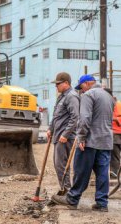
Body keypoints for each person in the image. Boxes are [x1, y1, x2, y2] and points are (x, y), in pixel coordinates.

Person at [52, 75, 115, 212]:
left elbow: (85, 118)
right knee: (102, 173)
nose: (81, 91)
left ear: (87, 84)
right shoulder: (108, 96)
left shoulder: (89, 95)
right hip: (106, 140)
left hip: (90, 141)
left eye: (81, 87)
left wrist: (81, 137)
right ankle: (102, 203)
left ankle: (72, 199)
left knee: (81, 170)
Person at [47, 72, 80, 191]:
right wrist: (50, 129)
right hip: (58, 135)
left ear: (66, 83)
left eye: (58, 84)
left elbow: (75, 117)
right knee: (58, 165)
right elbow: (56, 115)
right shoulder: (62, 96)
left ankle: (66, 190)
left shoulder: (71, 96)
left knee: (61, 165)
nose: (56, 86)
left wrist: (65, 134)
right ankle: (65, 190)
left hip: (65, 137)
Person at [110, 95, 121, 179]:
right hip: (115, 133)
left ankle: (114, 173)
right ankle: (114, 173)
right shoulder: (118, 104)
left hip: (115, 134)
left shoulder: (113, 106)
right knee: (115, 155)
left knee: (115, 156)